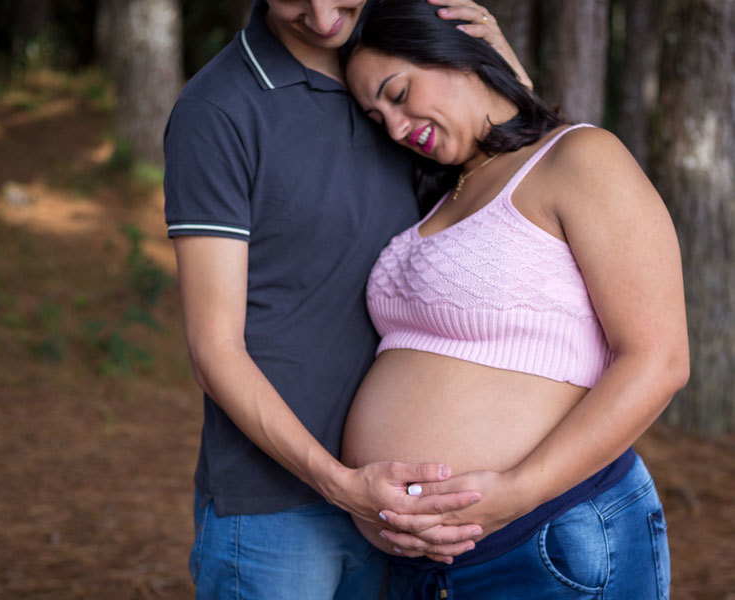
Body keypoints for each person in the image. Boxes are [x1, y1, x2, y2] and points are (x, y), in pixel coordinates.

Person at [163, 1, 532, 597]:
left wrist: (496, 71)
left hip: (408, 522)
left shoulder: (401, 70)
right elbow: (214, 348)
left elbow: (518, 191)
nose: (319, 14)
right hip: (277, 510)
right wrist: (339, 483)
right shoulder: (218, 111)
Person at [339, 0, 690, 597]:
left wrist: (518, 492)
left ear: (456, 55)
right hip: (423, 569)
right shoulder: (450, 188)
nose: (395, 127)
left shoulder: (581, 158)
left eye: (398, 93)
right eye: (377, 117)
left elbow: (659, 361)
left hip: (549, 538)